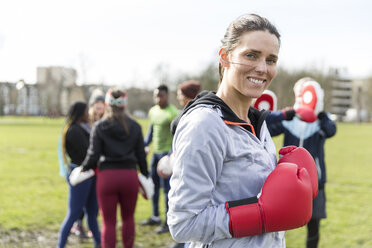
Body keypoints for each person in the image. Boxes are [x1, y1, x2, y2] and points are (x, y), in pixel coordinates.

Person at [167, 13, 317, 248]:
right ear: (225, 57)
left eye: (271, 59)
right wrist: (260, 214)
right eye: (251, 55)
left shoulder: (258, 122)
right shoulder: (205, 125)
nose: (262, 68)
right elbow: (183, 224)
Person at [266, 77, 337, 248]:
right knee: (278, 223)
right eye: (300, 93)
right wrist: (286, 114)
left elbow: (331, 130)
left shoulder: (322, 119)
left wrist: (319, 114)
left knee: (314, 226)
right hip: (286, 179)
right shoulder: (289, 118)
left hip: (315, 182)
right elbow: (268, 128)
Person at [81, 88, 149, 248]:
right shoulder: (135, 126)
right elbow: (141, 155)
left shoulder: (99, 126)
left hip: (107, 177)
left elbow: (93, 156)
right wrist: (146, 175)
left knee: (108, 223)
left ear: (107, 104)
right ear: (125, 105)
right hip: (129, 176)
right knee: (128, 218)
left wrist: (82, 169)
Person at [57, 101, 101, 248]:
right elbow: (88, 153)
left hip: (91, 175)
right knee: (74, 213)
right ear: (80, 113)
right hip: (81, 176)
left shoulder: (84, 128)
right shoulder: (73, 130)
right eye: (87, 110)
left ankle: (99, 244)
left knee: (92, 213)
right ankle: (60, 245)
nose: (89, 113)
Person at [141, 84, 179, 234]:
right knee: (153, 187)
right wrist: (143, 146)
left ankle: (167, 222)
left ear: (167, 96)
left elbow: (176, 137)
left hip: (165, 157)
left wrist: (170, 157)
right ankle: (155, 216)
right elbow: (150, 132)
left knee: (167, 190)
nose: (158, 98)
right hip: (154, 155)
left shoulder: (172, 113)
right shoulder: (153, 111)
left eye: (160, 96)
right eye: (156, 95)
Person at [70, 89, 106, 239]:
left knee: (94, 199)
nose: (99, 105)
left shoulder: (107, 119)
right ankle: (78, 223)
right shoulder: (86, 120)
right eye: (96, 102)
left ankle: (93, 226)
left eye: (101, 102)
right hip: (89, 163)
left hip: (101, 164)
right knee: (83, 198)